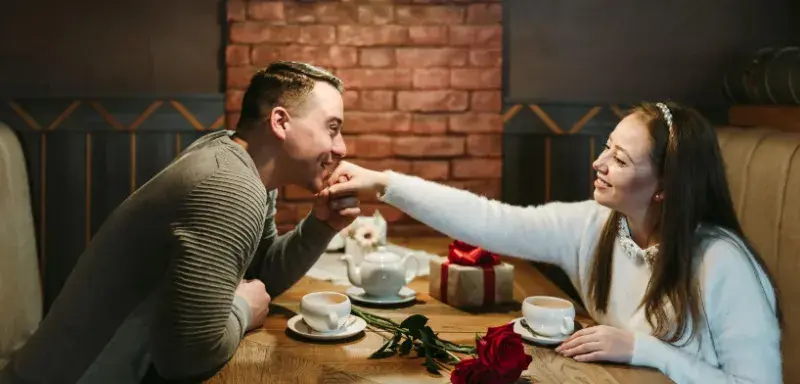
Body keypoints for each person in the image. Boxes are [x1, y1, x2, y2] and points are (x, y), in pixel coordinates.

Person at [324, 102, 783, 383]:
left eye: (619, 159)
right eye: (606, 147)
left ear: (665, 186)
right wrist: (383, 183)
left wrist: (645, 350)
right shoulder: (596, 225)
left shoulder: (722, 263)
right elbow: (491, 220)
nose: (599, 163)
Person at [0, 61, 361, 384]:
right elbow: (187, 358)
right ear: (280, 121)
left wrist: (321, 225)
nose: (342, 147)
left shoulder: (235, 161)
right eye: (332, 128)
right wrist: (243, 308)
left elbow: (260, 274)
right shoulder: (229, 186)